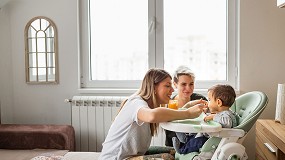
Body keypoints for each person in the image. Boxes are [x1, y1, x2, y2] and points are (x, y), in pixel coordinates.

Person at [99, 68, 207, 160]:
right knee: (168, 158)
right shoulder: (136, 102)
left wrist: (187, 107)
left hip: (133, 155)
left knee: (178, 152)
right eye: (167, 86)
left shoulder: (150, 106)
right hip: (117, 158)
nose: (172, 89)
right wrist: (188, 113)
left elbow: (170, 115)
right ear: (154, 87)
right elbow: (152, 116)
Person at [172, 84, 238, 154]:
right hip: (206, 135)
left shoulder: (227, 114)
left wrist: (213, 117)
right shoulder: (221, 113)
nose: (208, 102)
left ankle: (182, 149)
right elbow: (216, 118)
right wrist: (207, 112)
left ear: (218, 102)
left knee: (199, 141)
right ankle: (186, 139)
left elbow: (227, 122)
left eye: (209, 100)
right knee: (194, 135)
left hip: (211, 141)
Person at [165, 65, 208, 147]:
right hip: (175, 147)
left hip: (198, 145)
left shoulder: (200, 99)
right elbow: (170, 134)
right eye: (183, 84)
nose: (188, 88)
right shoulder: (169, 104)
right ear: (175, 84)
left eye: (191, 84)